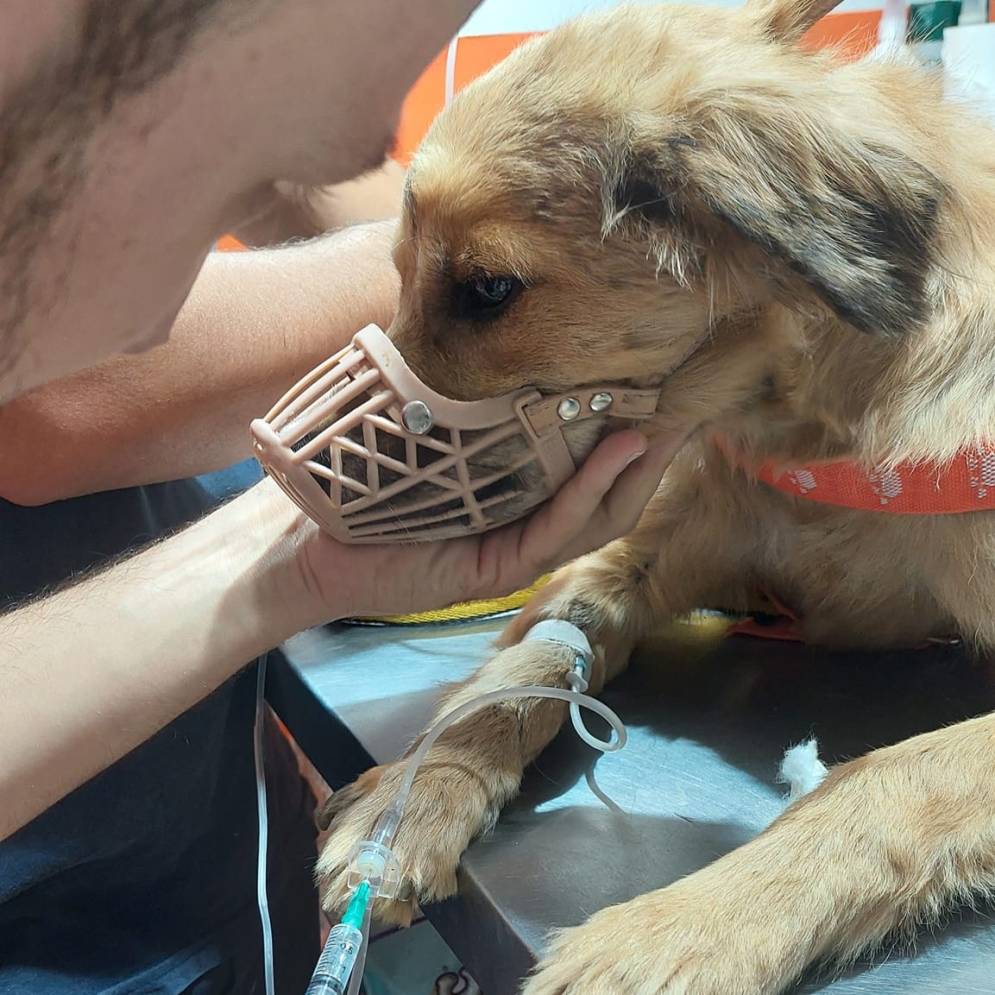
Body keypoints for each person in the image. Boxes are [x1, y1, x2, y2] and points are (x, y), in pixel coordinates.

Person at [0, 1, 680, 992]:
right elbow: (49, 396)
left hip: (198, 878)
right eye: (211, 176)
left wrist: (293, 559)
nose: (157, 320)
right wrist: (506, 249)